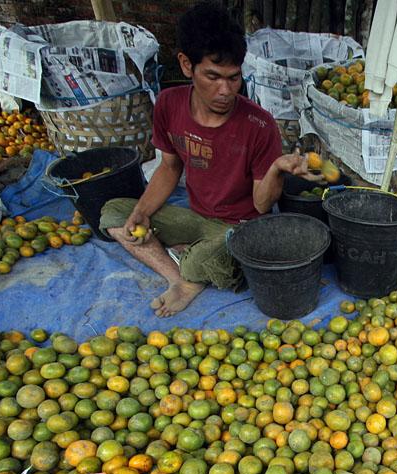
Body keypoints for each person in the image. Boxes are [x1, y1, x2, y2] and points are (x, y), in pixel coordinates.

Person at [102, 2, 319, 317]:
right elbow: (169, 167)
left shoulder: (259, 124)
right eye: (213, 77)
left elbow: (261, 206)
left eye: (234, 78)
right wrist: (142, 211)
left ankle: (189, 271)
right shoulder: (168, 104)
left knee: (201, 258)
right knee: (114, 214)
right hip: (197, 219)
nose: (226, 90)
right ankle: (180, 279)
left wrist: (276, 169)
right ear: (187, 65)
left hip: (239, 229)